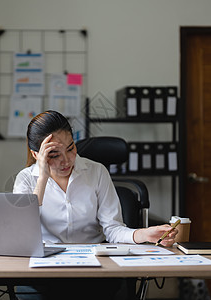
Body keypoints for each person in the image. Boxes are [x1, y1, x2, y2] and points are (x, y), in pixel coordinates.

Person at [13, 110, 178, 299]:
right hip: (44, 273)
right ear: (36, 154)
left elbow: (113, 229)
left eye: (70, 148)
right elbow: (22, 232)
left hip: (93, 270)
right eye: (54, 154)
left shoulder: (97, 172)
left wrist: (143, 234)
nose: (66, 160)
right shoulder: (26, 179)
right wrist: (42, 177)